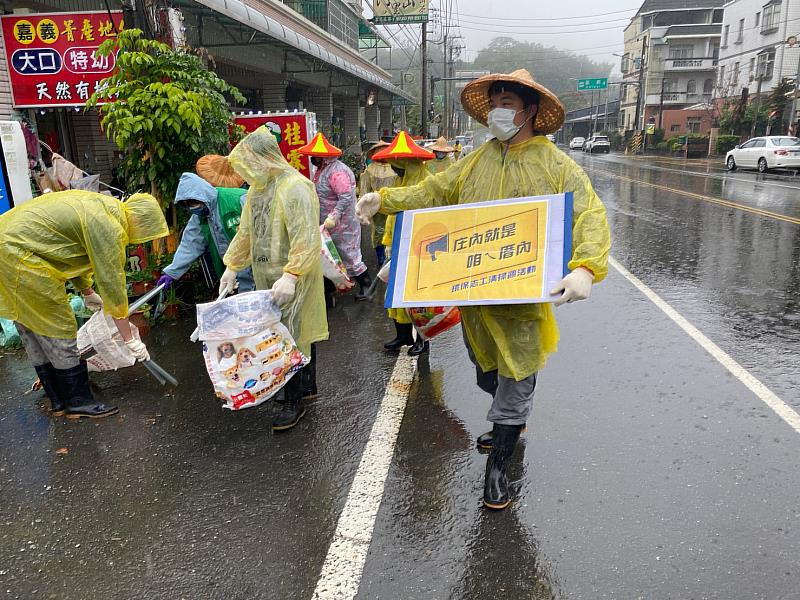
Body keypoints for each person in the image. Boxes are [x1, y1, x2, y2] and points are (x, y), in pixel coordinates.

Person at [357, 69, 611, 510]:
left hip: (522, 304)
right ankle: (508, 419)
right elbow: (435, 191)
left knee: (516, 379)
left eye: (506, 103)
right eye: (494, 102)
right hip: (475, 299)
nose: (497, 111)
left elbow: (590, 213)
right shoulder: (476, 160)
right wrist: (386, 201)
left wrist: (586, 267)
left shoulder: (555, 166)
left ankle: (499, 468)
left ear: (530, 110)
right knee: (486, 373)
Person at [0, 191, 168, 419]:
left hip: (9, 245)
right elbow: (112, 283)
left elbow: (68, 251)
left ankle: (59, 400)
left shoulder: (102, 206)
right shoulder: (109, 225)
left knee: (31, 325)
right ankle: (78, 401)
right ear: (140, 221)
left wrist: (87, 291)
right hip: (18, 254)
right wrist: (129, 339)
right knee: (57, 327)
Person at [219, 127, 328, 432]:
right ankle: (306, 385)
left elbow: (306, 238)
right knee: (287, 330)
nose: (248, 170)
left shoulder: (296, 187)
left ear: (265, 158)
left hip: (295, 275)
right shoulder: (258, 189)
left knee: (292, 333)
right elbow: (246, 233)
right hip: (267, 275)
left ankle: (294, 401)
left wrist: (292, 275)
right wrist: (232, 266)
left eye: (250, 162)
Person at [370, 131, 435, 357]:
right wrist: (388, 241)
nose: (393, 168)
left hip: (420, 247)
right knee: (397, 293)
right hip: (400, 243)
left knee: (418, 297)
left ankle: (423, 339)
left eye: (396, 163)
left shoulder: (426, 182)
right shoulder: (401, 181)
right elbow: (392, 214)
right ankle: (404, 334)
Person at [297, 132, 371, 301]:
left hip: (343, 224)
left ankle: (366, 286)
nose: (311, 159)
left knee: (349, 255)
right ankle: (330, 290)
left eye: (314, 156)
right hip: (329, 223)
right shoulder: (323, 170)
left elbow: (345, 197)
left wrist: (334, 216)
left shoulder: (337, 172)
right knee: (329, 256)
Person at [156, 172, 254, 293]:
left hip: (257, 266)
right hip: (232, 273)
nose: (193, 208)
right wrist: (172, 272)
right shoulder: (201, 216)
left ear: (203, 194)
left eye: (194, 202)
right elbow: (190, 244)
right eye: (188, 205)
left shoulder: (238, 199)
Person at [358, 141, 398, 267]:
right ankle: (381, 257)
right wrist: (363, 206)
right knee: (378, 232)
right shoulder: (370, 170)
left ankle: (394, 255)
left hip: (395, 204)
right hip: (377, 206)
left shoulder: (396, 166)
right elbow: (364, 188)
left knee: (395, 229)